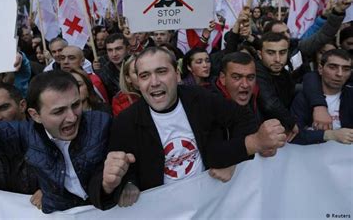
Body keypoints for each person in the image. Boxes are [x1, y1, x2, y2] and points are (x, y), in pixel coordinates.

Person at [89, 47, 288, 210]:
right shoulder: (125, 122)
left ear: (176, 74)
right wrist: (123, 183)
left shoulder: (201, 98)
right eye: (145, 75)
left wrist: (233, 160)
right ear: (137, 83)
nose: (155, 82)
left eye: (161, 71)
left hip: (211, 207)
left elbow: (242, 118)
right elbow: (108, 174)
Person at [0, 70, 112, 213]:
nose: (72, 117)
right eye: (58, 112)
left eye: (76, 105)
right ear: (35, 115)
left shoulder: (102, 122)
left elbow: (131, 155)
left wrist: (126, 182)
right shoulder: (24, 134)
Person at [291, 49, 353, 145]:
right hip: (311, 156)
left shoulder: (350, 96)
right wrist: (330, 135)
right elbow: (293, 135)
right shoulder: (303, 98)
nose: (339, 74)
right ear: (320, 69)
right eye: (333, 67)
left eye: (346, 69)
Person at [256, 32, 299, 140]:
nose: (278, 59)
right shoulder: (255, 72)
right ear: (260, 54)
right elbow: (270, 104)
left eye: (282, 52)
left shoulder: (286, 74)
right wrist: (291, 123)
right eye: (271, 53)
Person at [95, 33, 129, 101]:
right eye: (110, 50)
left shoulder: (138, 66)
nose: (114, 54)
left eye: (118, 49)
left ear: (128, 49)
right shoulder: (103, 74)